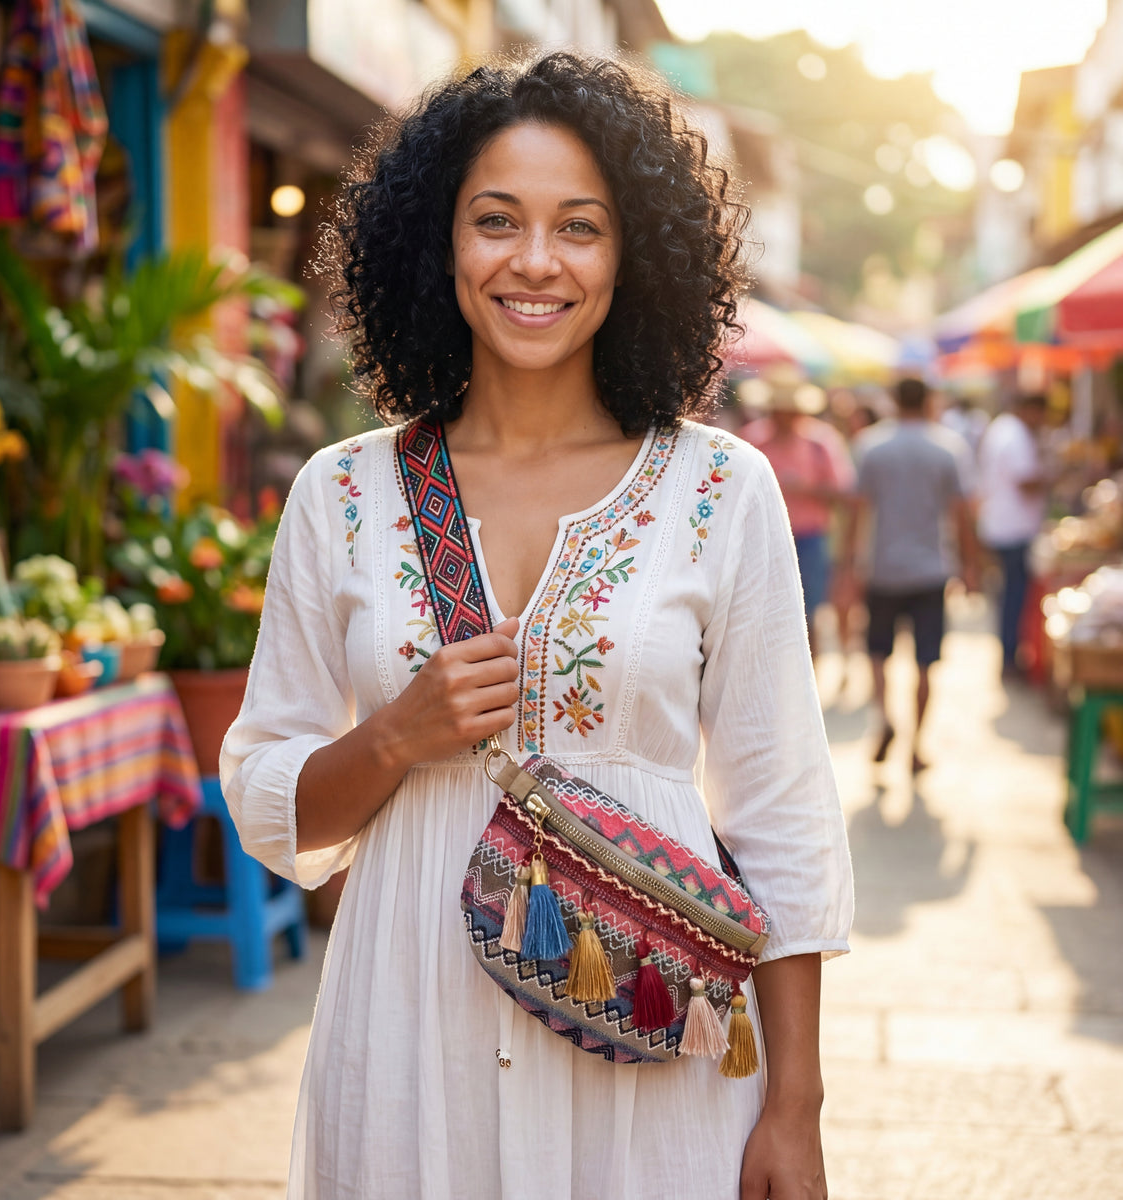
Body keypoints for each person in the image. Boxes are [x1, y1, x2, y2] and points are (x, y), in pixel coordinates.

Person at [221, 52, 852, 1200]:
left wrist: (796, 1109)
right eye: (495, 221)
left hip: (651, 1043)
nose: (535, 262)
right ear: (436, 243)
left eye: (581, 227)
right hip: (411, 1036)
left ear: (635, 253)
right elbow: (272, 800)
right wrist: (395, 738)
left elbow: (784, 811)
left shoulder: (718, 490)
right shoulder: (343, 493)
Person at [843, 376, 979, 772]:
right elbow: (961, 513)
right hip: (931, 570)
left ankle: (885, 719)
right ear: (930, 401)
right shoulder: (947, 448)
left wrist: (848, 565)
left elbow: (857, 510)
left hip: (882, 567)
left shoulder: (871, 446)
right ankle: (917, 747)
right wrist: (971, 566)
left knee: (878, 652)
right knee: (925, 662)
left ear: (893, 401)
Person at [739, 364, 856, 658]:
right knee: (759, 614)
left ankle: (808, 678)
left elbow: (843, 493)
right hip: (761, 539)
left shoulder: (820, 442)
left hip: (809, 537)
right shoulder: (750, 440)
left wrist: (806, 488)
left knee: (809, 612)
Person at [977, 393, 1049, 678]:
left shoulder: (1003, 428)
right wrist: (1054, 475)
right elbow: (1025, 481)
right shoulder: (1015, 434)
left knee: (1009, 594)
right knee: (1014, 595)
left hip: (1002, 524)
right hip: (1012, 528)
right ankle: (1009, 655)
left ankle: (1009, 653)